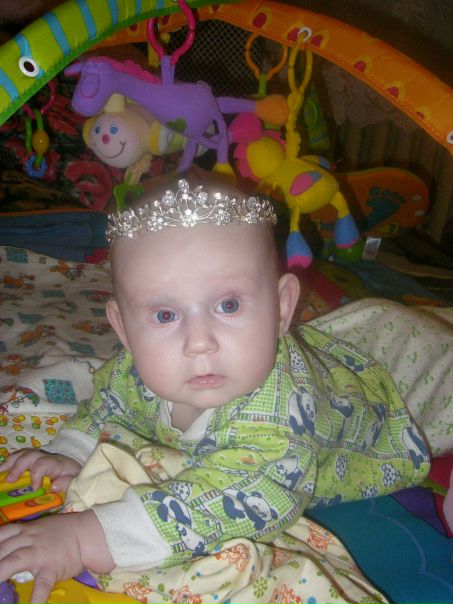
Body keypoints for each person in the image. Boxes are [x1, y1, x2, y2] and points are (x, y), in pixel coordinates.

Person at [0, 173, 431, 604]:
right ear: (123, 329)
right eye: (165, 315)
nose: (199, 342)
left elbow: (234, 498)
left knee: (421, 358)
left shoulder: (281, 413)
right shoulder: (132, 371)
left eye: (228, 305)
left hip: (377, 421)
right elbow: (107, 406)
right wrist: (70, 451)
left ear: (282, 308)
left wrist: (82, 537)